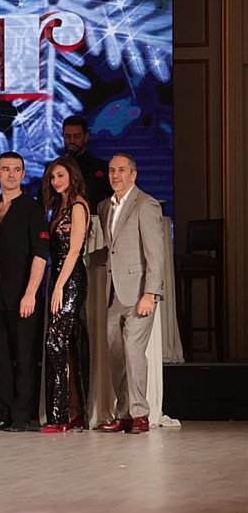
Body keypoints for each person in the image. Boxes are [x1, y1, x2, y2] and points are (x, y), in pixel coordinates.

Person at [96, 154, 164, 434]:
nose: (116, 175)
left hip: (139, 293)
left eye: (122, 170)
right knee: (116, 355)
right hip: (114, 292)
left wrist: (151, 292)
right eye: (112, 170)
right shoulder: (104, 207)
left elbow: (155, 254)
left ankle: (140, 414)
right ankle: (123, 413)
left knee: (134, 351)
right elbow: (111, 250)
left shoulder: (145, 204)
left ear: (133, 175)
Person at [0, 152, 49, 432]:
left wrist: (30, 293)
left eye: (16, 169)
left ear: (23, 174)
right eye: (5, 169)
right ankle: (4, 412)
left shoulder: (32, 209)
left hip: (22, 295)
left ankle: (21, 416)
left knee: (24, 357)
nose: (11, 174)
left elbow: (41, 253)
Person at [40, 156, 91, 433]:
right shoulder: (60, 207)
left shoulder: (78, 206)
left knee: (56, 342)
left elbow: (74, 251)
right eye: (52, 177)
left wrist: (59, 285)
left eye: (60, 175)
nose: (56, 181)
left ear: (72, 176)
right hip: (59, 277)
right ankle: (73, 413)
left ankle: (60, 417)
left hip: (70, 280)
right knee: (65, 346)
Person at [63, 115, 111, 206]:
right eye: (68, 136)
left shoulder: (100, 167)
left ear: (85, 137)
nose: (72, 141)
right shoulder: (54, 168)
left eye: (76, 136)